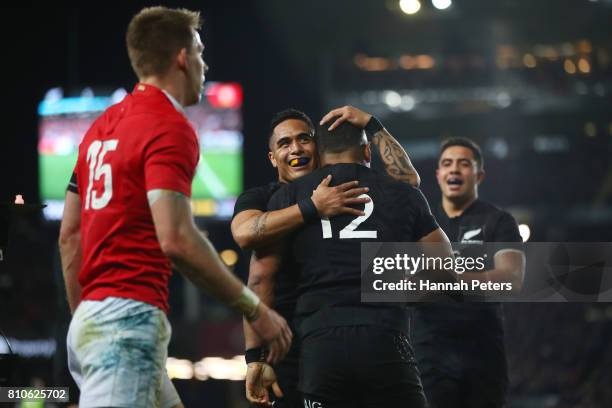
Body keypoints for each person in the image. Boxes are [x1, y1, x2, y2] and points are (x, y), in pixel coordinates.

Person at [58, 7, 291, 408]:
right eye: (200, 52)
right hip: (126, 321)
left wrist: (89, 314)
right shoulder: (167, 123)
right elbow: (178, 239)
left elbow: (69, 236)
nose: (204, 63)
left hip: (94, 319)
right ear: (183, 57)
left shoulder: (99, 128)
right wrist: (256, 310)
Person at [244, 120, 451, 408]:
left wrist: (257, 358)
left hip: (320, 346)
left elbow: (258, 280)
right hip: (386, 337)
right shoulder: (403, 194)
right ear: (367, 151)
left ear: (319, 153)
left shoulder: (288, 198)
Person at [411, 137, 526, 408]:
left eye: (464, 164)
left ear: (479, 174)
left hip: (483, 354)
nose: (454, 170)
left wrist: (444, 281)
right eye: (447, 164)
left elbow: (511, 280)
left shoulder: (499, 221)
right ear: (438, 174)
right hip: (428, 354)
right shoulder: (415, 223)